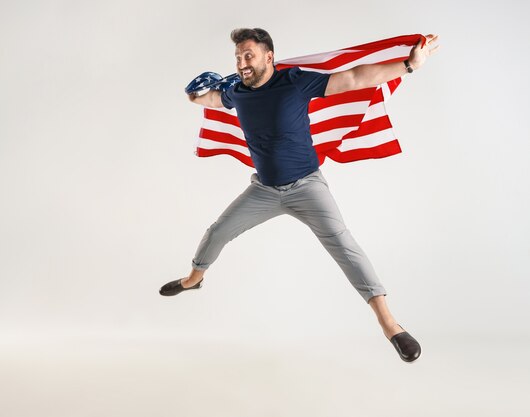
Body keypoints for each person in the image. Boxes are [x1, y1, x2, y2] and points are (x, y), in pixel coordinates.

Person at [159, 28, 439, 362]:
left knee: (344, 246)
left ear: (268, 56)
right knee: (217, 232)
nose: (242, 62)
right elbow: (214, 100)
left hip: (307, 187)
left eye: (248, 55)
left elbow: (352, 78)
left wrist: (408, 66)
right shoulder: (238, 92)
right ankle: (193, 280)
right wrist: (193, 96)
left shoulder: (294, 82)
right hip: (263, 190)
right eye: (237, 57)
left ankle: (391, 325)